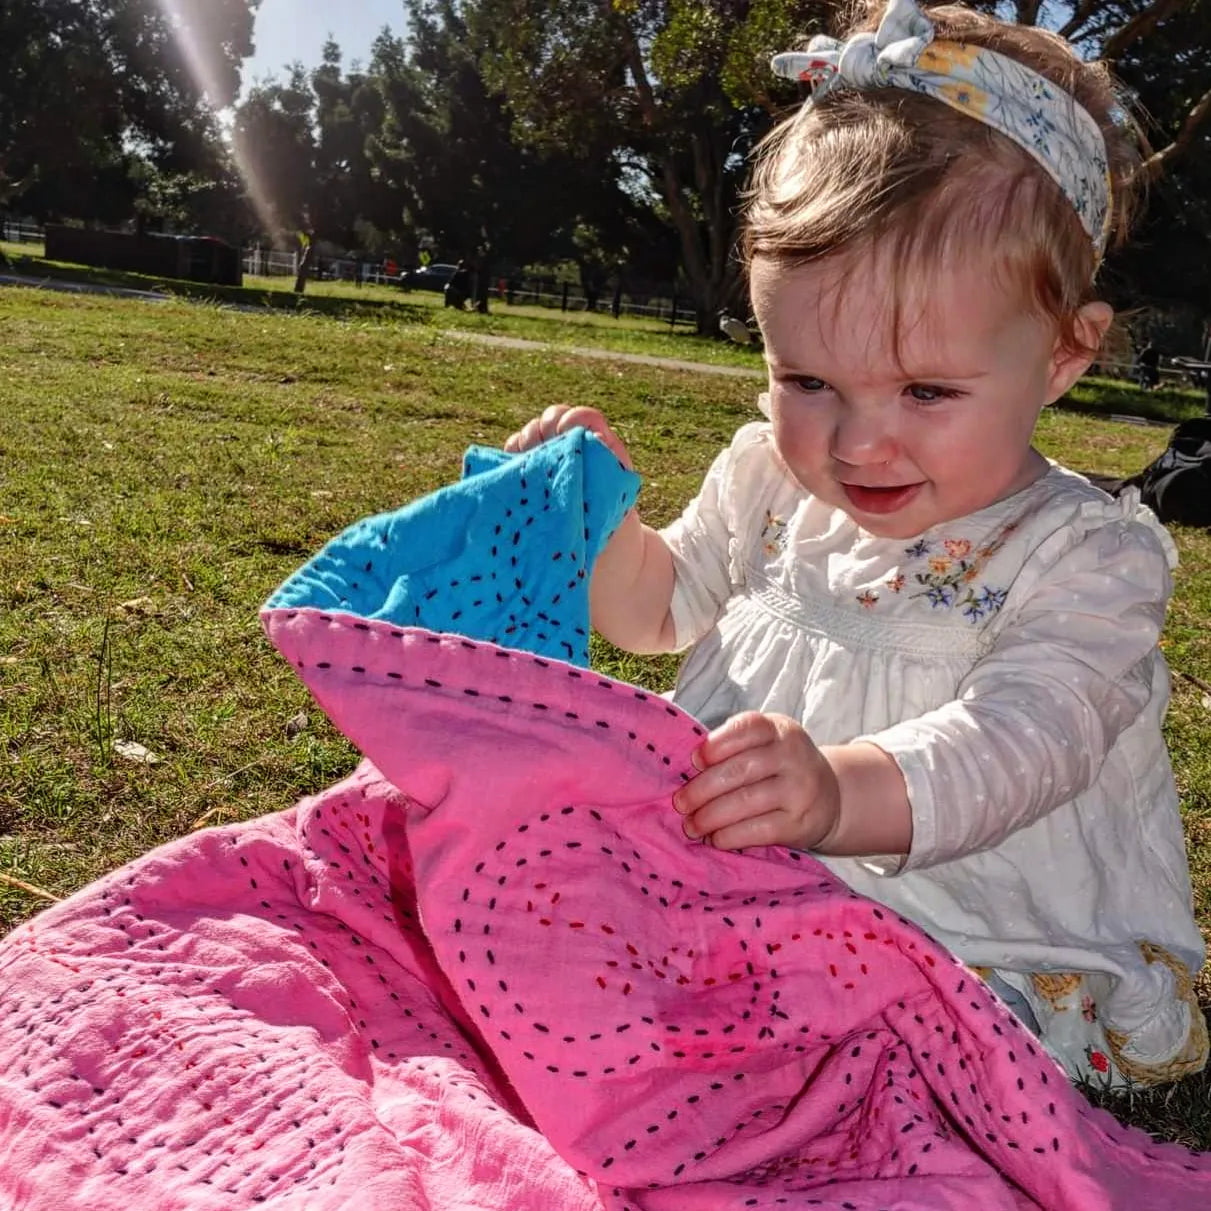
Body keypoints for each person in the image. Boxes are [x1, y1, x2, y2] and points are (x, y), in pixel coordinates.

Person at [503, 0, 1207, 1088]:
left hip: (977, 924)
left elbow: (1020, 743)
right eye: (806, 380)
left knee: (910, 1055)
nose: (856, 439)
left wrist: (836, 793)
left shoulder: (1080, 555)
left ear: (1063, 354)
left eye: (925, 389)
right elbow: (656, 611)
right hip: (751, 889)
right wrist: (595, 521)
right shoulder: (766, 477)